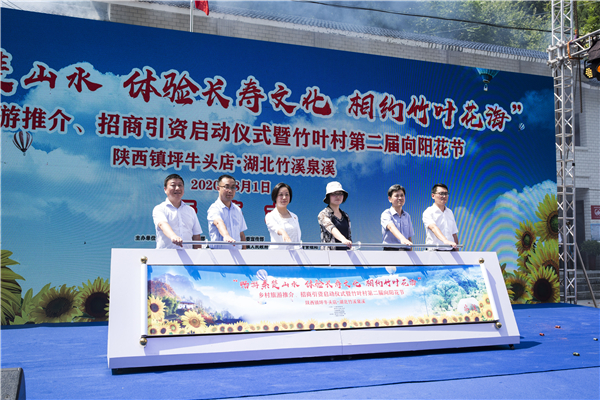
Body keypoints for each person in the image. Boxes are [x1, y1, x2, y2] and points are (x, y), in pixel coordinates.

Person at [152, 174, 202, 249]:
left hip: (188, 254)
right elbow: (162, 224)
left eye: (180, 185)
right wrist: (173, 236)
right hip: (165, 254)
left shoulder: (190, 210)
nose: (177, 188)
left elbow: (196, 236)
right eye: (173, 185)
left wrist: (198, 254)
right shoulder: (159, 208)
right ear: (165, 189)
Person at [207, 174, 247, 249]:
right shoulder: (214, 208)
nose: (230, 191)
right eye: (226, 187)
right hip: (219, 253)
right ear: (218, 188)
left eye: (233, 187)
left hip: (237, 253)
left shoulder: (237, 209)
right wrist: (226, 235)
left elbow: (241, 234)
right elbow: (218, 222)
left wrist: (244, 252)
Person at [422, 183, 459, 251]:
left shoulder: (450, 212)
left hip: (451, 251)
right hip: (434, 252)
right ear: (433, 196)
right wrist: (445, 240)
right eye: (441, 193)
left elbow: (453, 234)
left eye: (446, 194)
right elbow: (433, 227)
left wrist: (457, 250)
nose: (444, 196)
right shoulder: (428, 212)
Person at [265, 182, 301, 249]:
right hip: (278, 254)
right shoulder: (270, 216)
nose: (284, 198)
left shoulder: (294, 217)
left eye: (287, 195)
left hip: (295, 253)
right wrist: (283, 233)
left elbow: (297, 239)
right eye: (280, 195)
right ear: (275, 197)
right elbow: (276, 228)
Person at [318, 181, 352, 250]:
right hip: (329, 254)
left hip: (346, 254)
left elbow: (349, 236)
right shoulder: (323, 214)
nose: (338, 196)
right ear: (328, 196)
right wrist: (343, 239)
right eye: (334, 194)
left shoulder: (345, 216)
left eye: (340, 194)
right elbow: (331, 228)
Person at [381, 184, 414, 251]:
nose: (400, 198)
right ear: (390, 199)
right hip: (390, 251)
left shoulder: (407, 216)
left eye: (402, 195)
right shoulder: (386, 214)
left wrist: (411, 251)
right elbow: (391, 227)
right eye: (396, 196)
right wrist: (402, 239)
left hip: (406, 251)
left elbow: (409, 237)